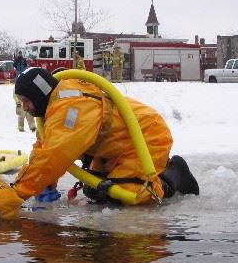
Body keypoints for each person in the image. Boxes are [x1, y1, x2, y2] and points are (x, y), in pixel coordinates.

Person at [12, 67, 199, 205]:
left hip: (147, 135)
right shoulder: (54, 107)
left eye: (27, 101)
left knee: (129, 194)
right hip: (113, 146)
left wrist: (14, 195)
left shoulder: (70, 109)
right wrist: (45, 183)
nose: (26, 108)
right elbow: (44, 150)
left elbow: (53, 156)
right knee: (95, 191)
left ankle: (175, 175)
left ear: (40, 93)